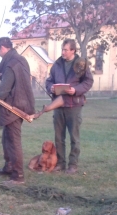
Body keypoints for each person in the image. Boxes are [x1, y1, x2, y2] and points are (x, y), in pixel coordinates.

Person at [0, 37, 35, 185]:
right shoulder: (21, 60)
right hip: (21, 104)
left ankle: (18, 175)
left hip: (14, 107)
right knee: (7, 138)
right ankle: (9, 166)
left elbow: (3, 90)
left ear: (2, 48)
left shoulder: (11, 64)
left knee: (13, 140)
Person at [45, 39, 93, 174]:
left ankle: (73, 164)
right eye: (62, 49)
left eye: (66, 50)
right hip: (58, 105)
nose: (63, 52)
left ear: (73, 50)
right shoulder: (57, 65)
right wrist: (51, 88)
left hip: (74, 106)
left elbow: (88, 81)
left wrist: (76, 90)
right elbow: (49, 81)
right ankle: (60, 163)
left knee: (74, 137)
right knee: (59, 137)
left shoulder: (82, 64)